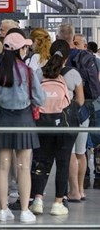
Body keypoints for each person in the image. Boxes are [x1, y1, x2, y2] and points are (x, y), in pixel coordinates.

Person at [0, 30, 45, 223]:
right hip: (24, 120)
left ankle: (3, 209)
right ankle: (24, 210)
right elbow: (40, 98)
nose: (26, 49)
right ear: (19, 50)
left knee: (3, 166)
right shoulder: (28, 71)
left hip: (3, 119)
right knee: (23, 167)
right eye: (24, 47)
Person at [30, 39, 81, 217]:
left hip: (42, 123)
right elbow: (80, 101)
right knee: (63, 162)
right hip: (65, 125)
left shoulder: (38, 73)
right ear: (67, 57)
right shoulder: (73, 74)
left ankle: (37, 199)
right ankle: (58, 202)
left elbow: (33, 98)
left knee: (41, 161)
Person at [56, 23, 100, 201]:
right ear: (74, 38)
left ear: (58, 37)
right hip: (86, 108)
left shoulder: (58, 58)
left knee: (70, 152)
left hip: (66, 109)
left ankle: (72, 189)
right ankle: (80, 190)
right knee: (82, 152)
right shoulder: (88, 57)